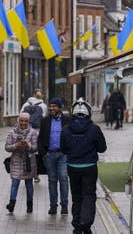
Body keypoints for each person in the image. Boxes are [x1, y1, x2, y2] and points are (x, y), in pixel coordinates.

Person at [61, 98, 107, 234]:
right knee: (88, 195)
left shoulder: (65, 130)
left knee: (76, 196)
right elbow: (102, 148)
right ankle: (85, 223)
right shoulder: (95, 129)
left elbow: (63, 149)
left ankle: (77, 225)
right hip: (89, 167)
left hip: (72, 166)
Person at [38, 97, 70, 215]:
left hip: (63, 154)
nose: (51, 108)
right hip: (49, 154)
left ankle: (64, 205)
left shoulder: (67, 120)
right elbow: (40, 138)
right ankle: (53, 206)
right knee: (52, 180)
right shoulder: (45, 121)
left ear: (59, 107)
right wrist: (44, 153)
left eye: (54, 106)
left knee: (63, 178)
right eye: (50, 106)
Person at [5, 112, 38, 214]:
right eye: (21, 120)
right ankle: (11, 204)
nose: (23, 122)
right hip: (16, 161)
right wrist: (16, 146)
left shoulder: (33, 132)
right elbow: (7, 147)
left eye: (26, 121)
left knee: (29, 183)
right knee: (15, 183)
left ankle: (29, 205)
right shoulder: (12, 132)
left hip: (28, 162)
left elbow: (35, 148)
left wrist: (27, 146)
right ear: (18, 121)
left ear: (28, 121)